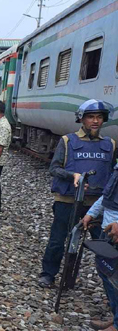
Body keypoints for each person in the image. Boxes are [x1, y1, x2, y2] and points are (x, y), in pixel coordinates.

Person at [38, 99, 116, 288]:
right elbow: (54, 168)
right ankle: (48, 273)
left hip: (97, 204)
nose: (95, 121)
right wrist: (72, 175)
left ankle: (110, 281)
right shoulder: (67, 141)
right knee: (58, 240)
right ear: (82, 119)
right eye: (91, 117)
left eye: (99, 117)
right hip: (67, 200)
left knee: (105, 245)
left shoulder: (110, 144)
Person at [82, 168, 118, 331]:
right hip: (110, 230)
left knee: (114, 276)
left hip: (115, 232)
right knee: (106, 271)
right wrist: (92, 213)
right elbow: (108, 196)